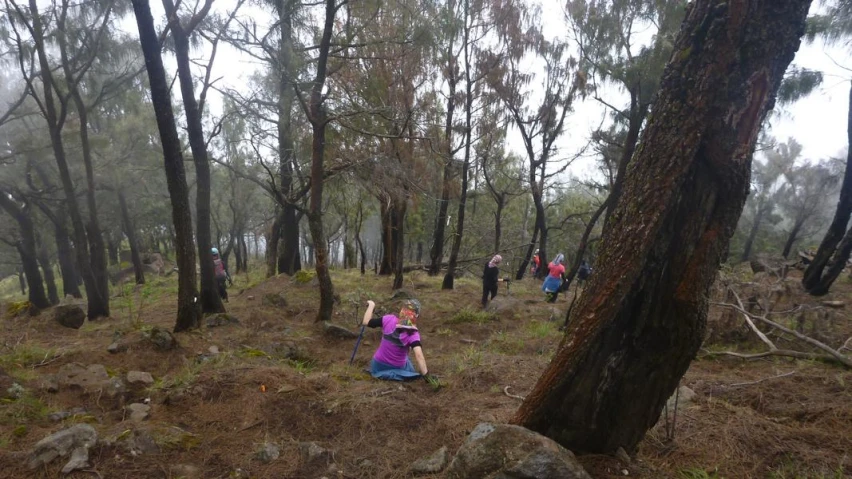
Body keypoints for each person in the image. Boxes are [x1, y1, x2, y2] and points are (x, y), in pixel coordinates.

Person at [362, 298, 433, 382]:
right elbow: (419, 355)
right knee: (410, 369)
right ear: (416, 315)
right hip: (397, 367)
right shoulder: (413, 334)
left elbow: (366, 322)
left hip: (377, 365)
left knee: (407, 360)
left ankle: (381, 374)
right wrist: (427, 376)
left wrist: (371, 305)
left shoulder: (388, 319)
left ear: (402, 310)